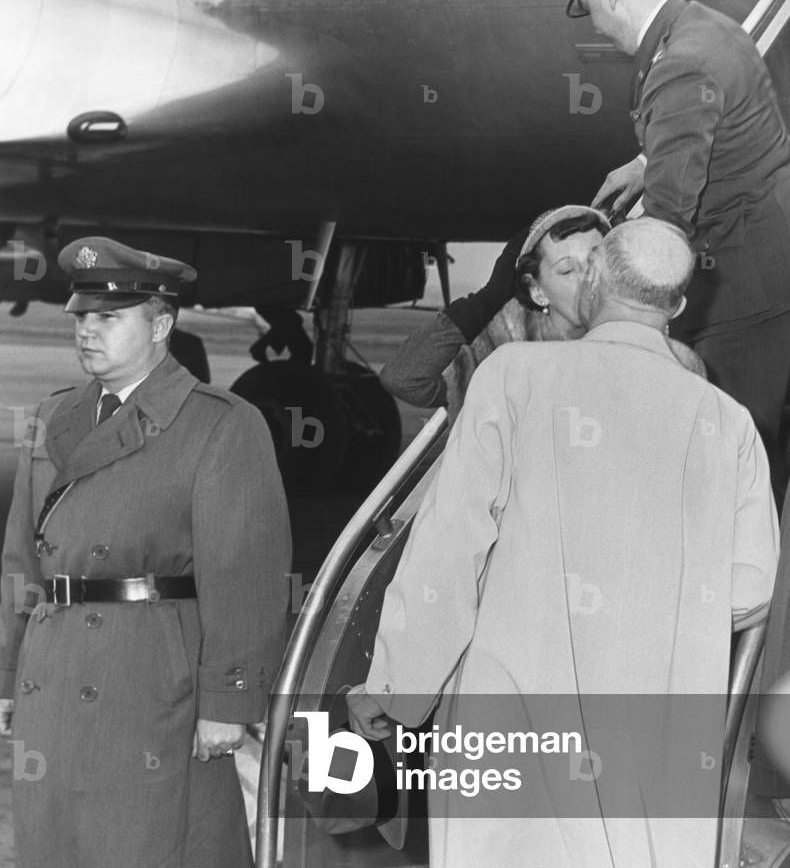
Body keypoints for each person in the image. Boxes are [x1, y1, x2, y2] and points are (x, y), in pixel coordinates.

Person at [347, 218, 778, 868]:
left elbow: (448, 555)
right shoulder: (727, 422)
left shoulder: (511, 378)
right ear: (679, 306)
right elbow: (750, 593)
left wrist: (397, 690)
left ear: (597, 281)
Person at [0, 237, 292, 868]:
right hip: (52, 669)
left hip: (152, 674)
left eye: (109, 318)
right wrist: (5, 676)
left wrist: (229, 701)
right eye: (82, 316)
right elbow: (20, 563)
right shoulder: (54, 417)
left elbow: (246, 573)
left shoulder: (218, 424)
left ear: (161, 323)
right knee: (57, 842)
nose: (87, 331)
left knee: (147, 842)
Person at [543, 0, 790, 494]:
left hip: (740, 288)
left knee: (731, 460)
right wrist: (645, 159)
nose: (599, 28)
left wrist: (597, 303)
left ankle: (744, 581)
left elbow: (668, 221)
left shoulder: (679, 62)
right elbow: (717, 124)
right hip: (768, 254)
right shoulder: (706, 25)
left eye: (589, 10)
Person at [383, 204, 704, 421]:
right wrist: (486, 302)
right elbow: (405, 379)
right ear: (537, 289)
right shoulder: (498, 363)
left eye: (597, 265)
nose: (587, 280)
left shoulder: (651, 360)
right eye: (567, 270)